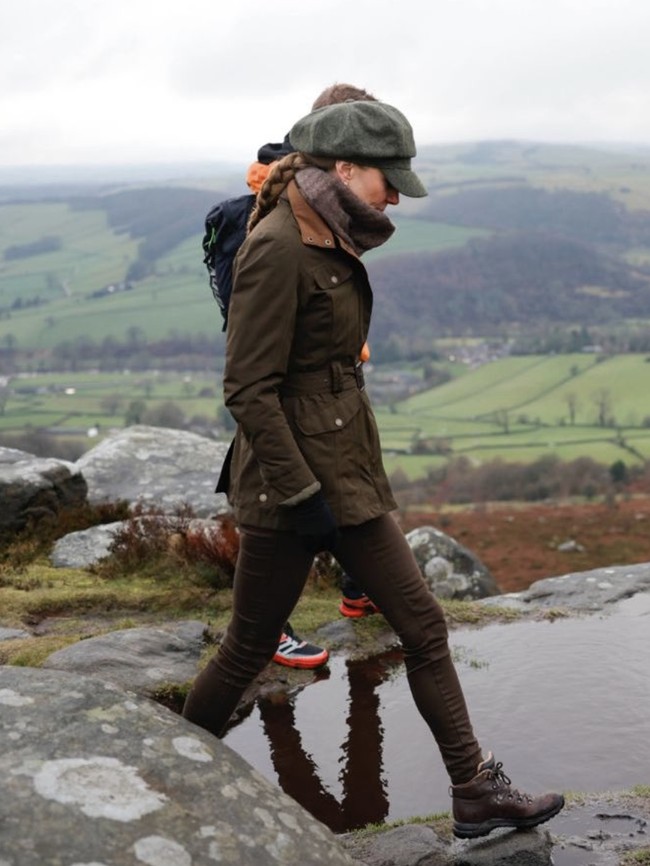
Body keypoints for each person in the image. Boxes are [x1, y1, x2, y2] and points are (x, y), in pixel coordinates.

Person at [183, 99, 565, 839]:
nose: (395, 196)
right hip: (289, 484)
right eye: (387, 180)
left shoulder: (330, 231)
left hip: (344, 473)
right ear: (343, 167)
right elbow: (248, 389)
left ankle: (475, 790)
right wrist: (301, 495)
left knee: (422, 624)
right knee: (248, 648)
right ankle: (169, 767)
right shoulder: (279, 246)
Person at [206, 85, 380, 669]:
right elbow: (251, 372)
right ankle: (267, 630)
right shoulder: (285, 196)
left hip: (316, 371)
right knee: (271, 485)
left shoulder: (319, 186)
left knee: (335, 473)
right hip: (280, 366)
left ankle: (356, 589)